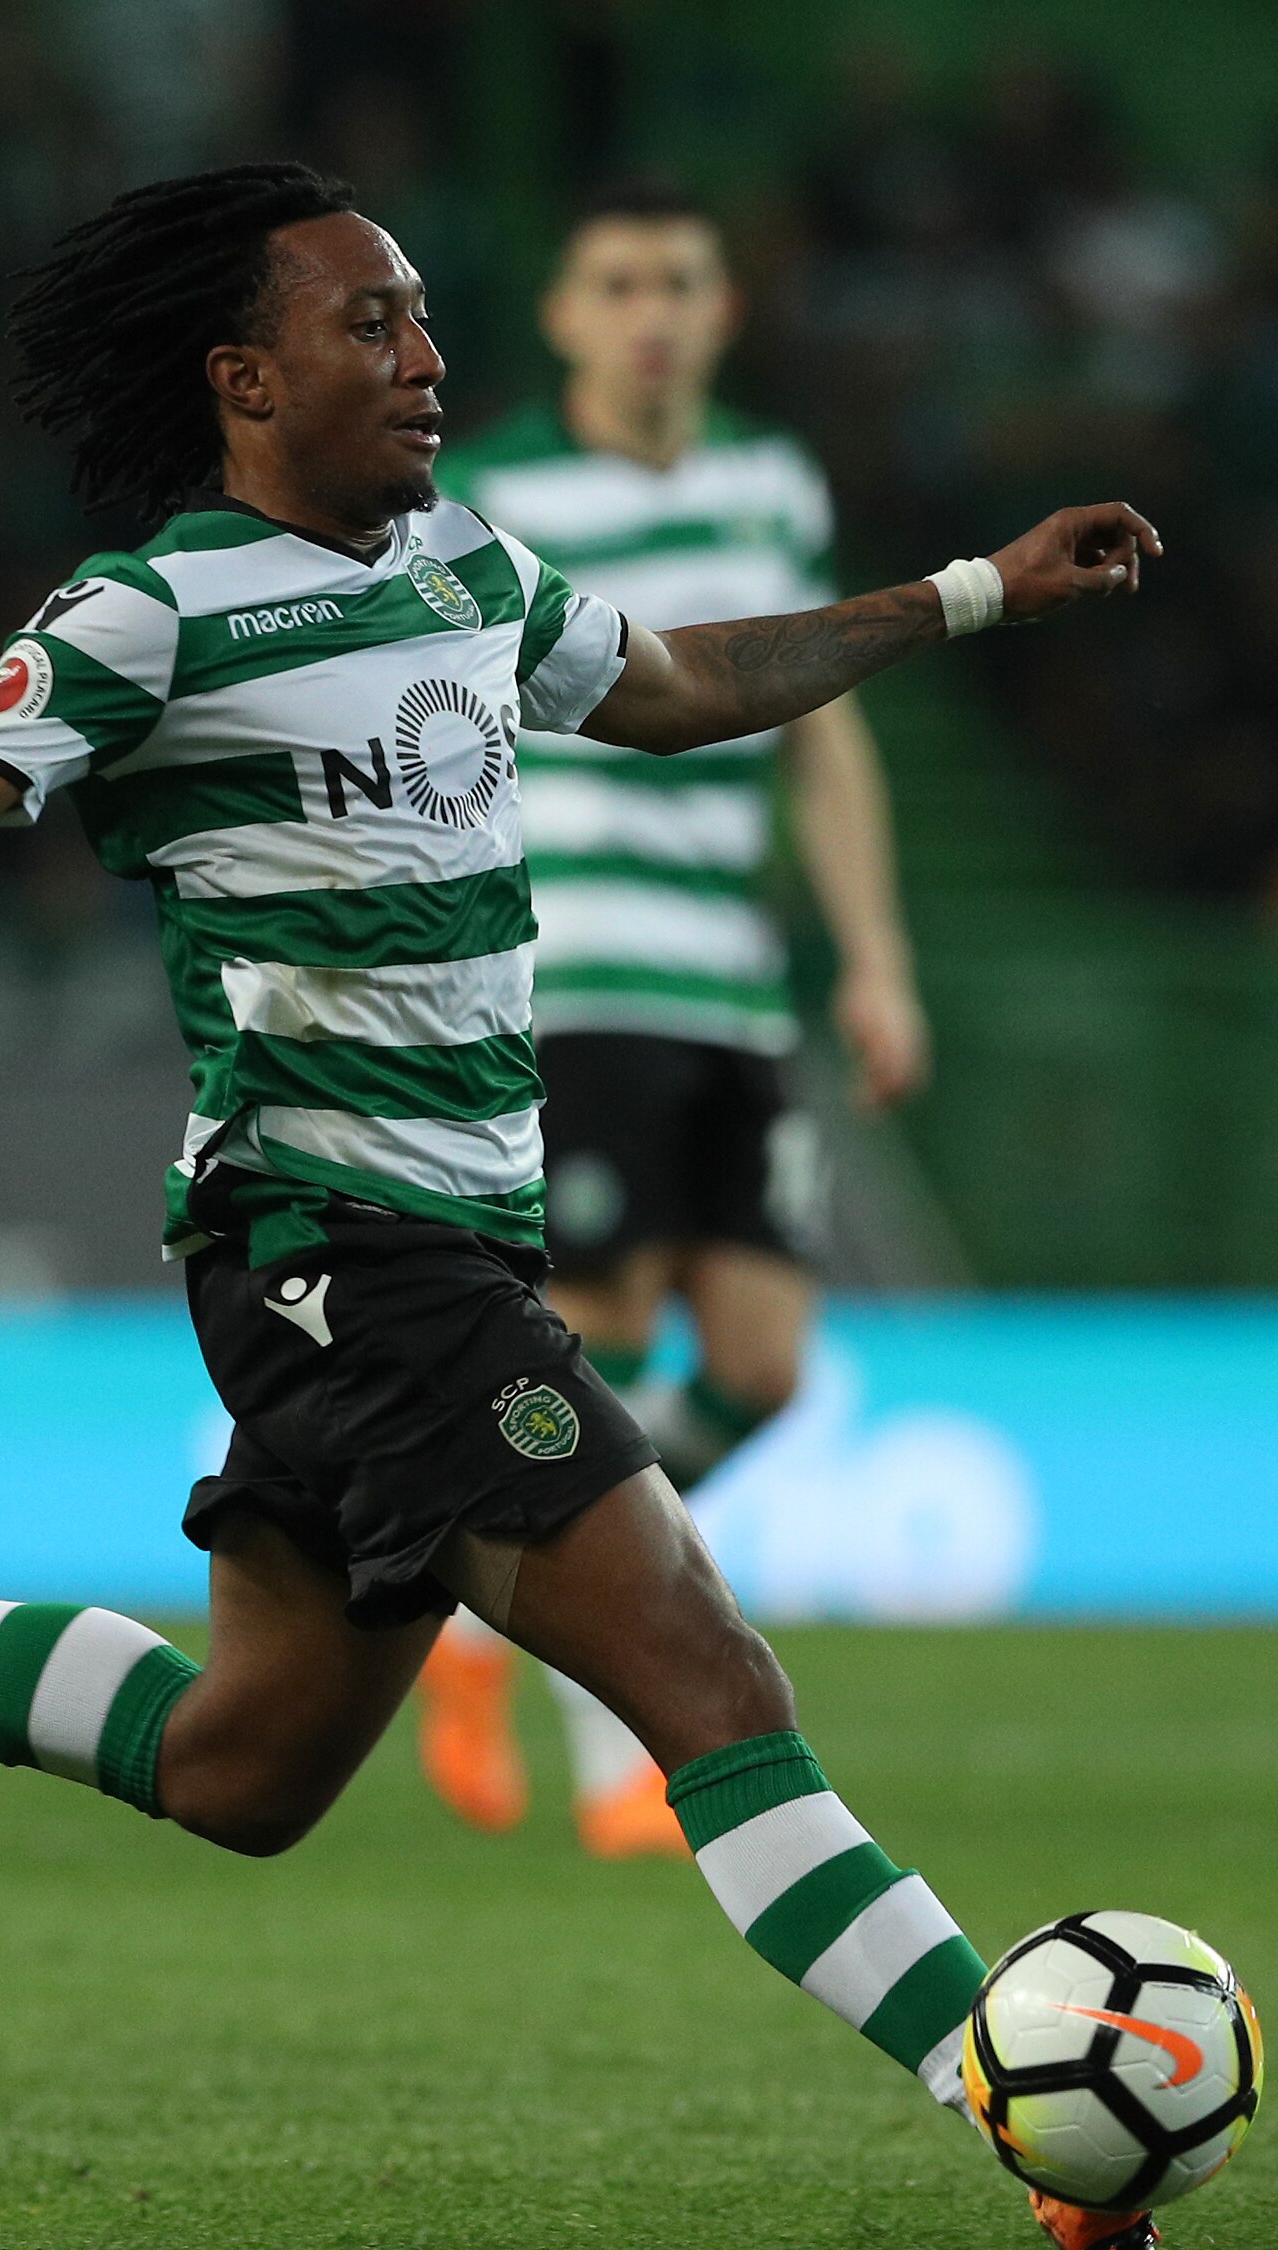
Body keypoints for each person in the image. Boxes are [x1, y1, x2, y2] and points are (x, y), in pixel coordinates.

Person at [0, 163, 1167, 2250]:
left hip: (441, 1252)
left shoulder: (462, 562)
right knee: (705, 1669)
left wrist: (964, 595)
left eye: (418, 318)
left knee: (242, 1766)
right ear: (245, 378)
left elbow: (679, 682)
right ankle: (1019, 2095)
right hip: (331, 1247)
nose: (424, 359)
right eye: (369, 324)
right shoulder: (151, 613)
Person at [416, 183, 930, 1861]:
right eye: (619, 282)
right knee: (605, 1336)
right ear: (565, 317)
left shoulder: (773, 485)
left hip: (733, 982)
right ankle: (613, 1746)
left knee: (766, 1367)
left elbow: (823, 725)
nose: (652, 312)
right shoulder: (495, 494)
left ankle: (488, 1601)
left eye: (680, 283)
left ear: (722, 313)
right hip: (573, 970)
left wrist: (873, 953)